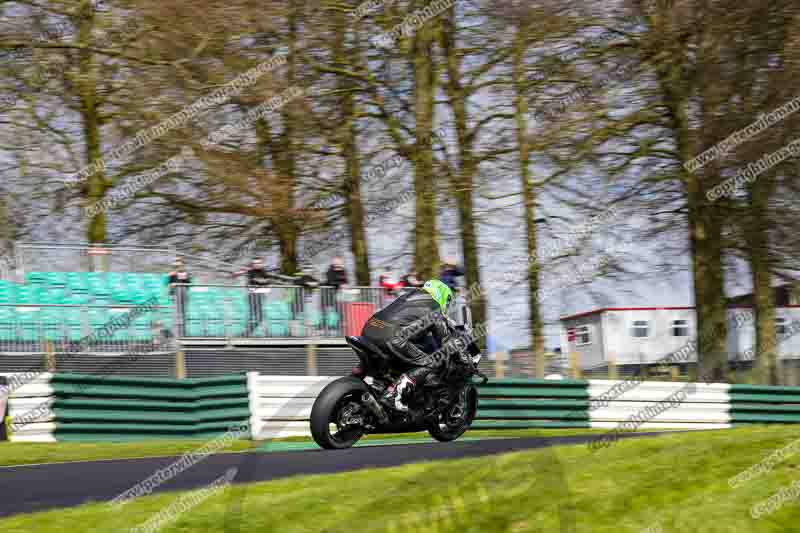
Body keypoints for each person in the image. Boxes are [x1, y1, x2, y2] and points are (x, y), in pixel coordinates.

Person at [360, 279, 471, 412]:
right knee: (431, 362)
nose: (446, 305)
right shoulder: (434, 306)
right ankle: (394, 395)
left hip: (369, 329)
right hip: (391, 337)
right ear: (441, 294)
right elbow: (445, 340)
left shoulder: (409, 296)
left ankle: (360, 378)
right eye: (447, 301)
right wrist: (463, 356)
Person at [234, 258, 271, 336]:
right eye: (255, 263)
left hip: (261, 296)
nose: (256, 265)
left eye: (258, 263)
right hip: (252, 296)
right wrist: (261, 281)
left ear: (261, 264)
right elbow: (253, 280)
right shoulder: (250, 272)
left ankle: (248, 332)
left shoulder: (264, 272)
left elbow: (267, 281)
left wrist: (261, 281)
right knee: (252, 316)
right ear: (252, 264)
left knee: (260, 317)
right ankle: (246, 332)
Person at [167, 258, 192, 336]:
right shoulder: (171, 274)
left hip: (183, 294)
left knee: (183, 314)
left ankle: (183, 333)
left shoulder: (186, 274)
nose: (178, 267)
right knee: (177, 314)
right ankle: (177, 333)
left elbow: (188, 284)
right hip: (176, 294)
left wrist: (183, 276)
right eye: (176, 266)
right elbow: (169, 285)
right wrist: (171, 289)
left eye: (180, 265)